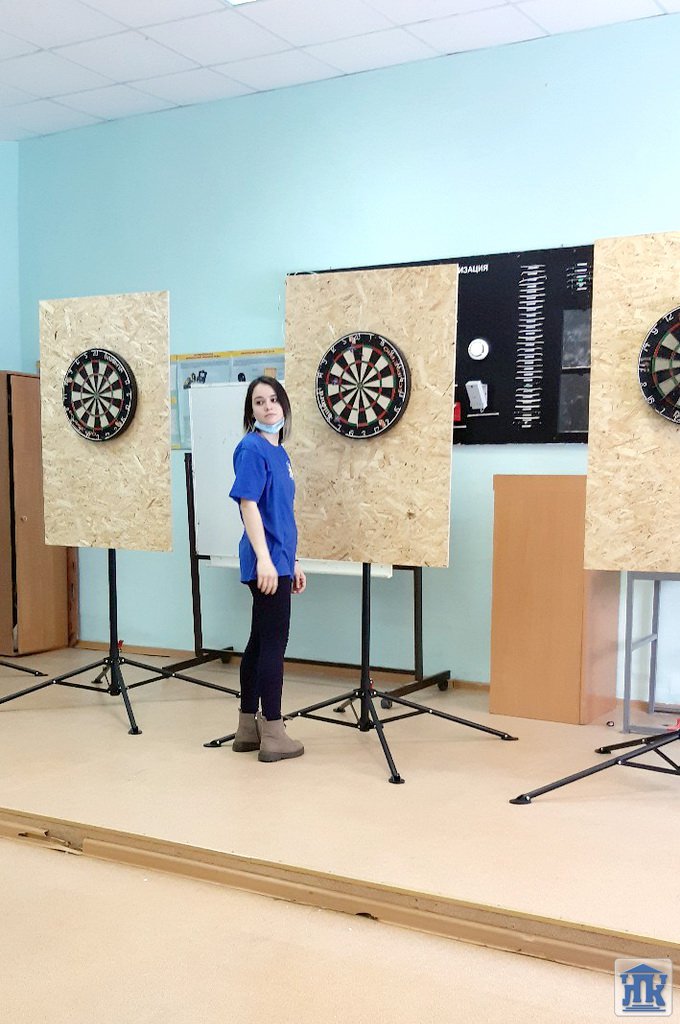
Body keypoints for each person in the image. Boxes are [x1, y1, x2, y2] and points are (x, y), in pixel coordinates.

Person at [228, 376, 306, 762]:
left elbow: (281, 513)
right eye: (259, 402)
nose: (268, 407)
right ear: (251, 411)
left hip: (279, 559)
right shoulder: (252, 448)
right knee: (274, 643)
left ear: (284, 405)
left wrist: (293, 560)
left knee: (260, 642)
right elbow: (248, 504)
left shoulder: (280, 452)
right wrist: (265, 559)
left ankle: (247, 728)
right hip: (266, 562)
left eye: (273, 399)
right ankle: (273, 731)